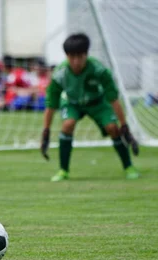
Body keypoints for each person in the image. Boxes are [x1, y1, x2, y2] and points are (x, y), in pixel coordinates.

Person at [40, 33, 140, 181]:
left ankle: (129, 167)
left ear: (86, 54)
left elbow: (113, 98)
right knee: (67, 124)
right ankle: (63, 170)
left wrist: (124, 125)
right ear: (66, 56)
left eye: (79, 57)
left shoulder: (99, 70)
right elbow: (51, 104)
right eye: (71, 57)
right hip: (72, 102)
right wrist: (46, 131)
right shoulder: (60, 74)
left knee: (112, 128)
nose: (75, 61)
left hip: (97, 102)